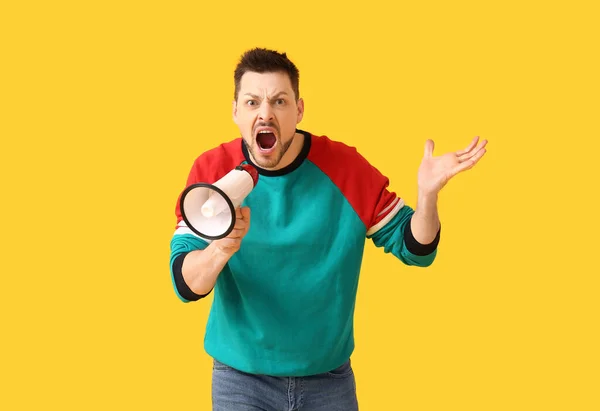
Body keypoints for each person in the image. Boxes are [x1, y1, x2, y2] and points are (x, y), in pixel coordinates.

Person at [169, 47, 487, 410]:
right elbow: (184, 284)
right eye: (253, 102)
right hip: (241, 380)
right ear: (236, 111)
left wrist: (427, 196)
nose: (266, 114)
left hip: (327, 381)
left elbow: (416, 249)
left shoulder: (345, 169)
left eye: (279, 101)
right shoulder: (211, 171)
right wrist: (221, 249)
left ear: (299, 110)